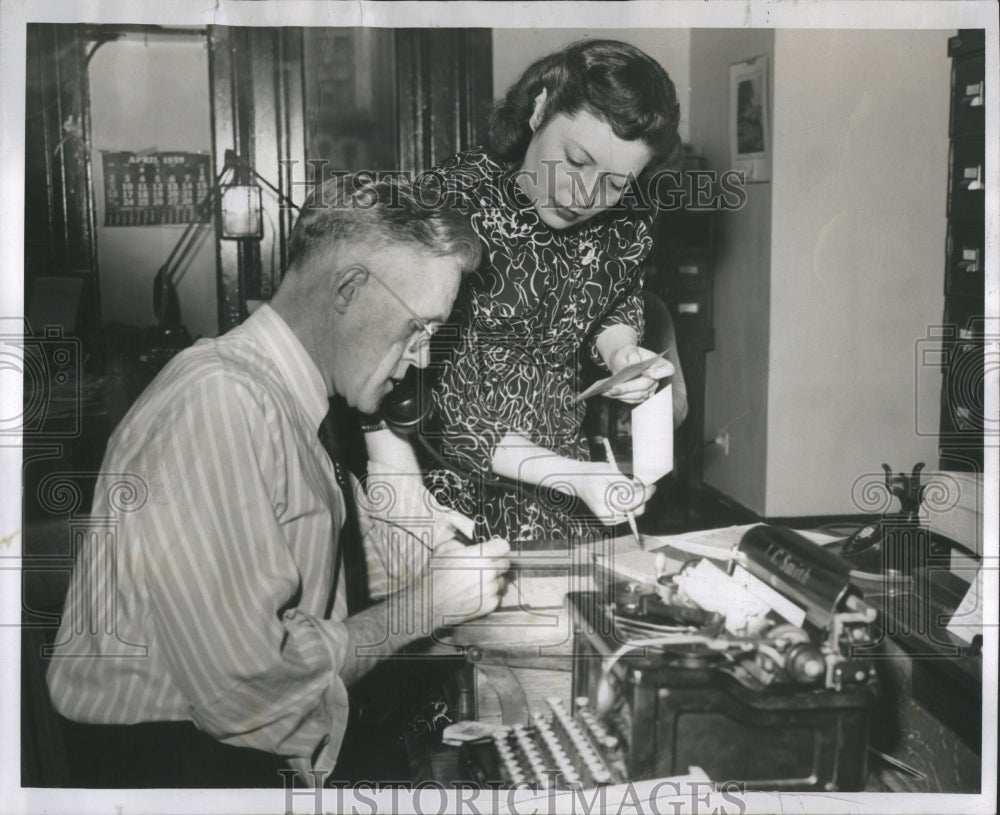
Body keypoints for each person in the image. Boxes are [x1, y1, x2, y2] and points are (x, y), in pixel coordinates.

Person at [45, 174, 510, 787]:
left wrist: (425, 563)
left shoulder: (290, 402)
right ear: (349, 289)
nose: (423, 356)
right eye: (420, 326)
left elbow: (337, 574)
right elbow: (246, 686)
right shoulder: (220, 402)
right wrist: (427, 605)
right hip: (170, 773)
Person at [400, 40, 688, 546]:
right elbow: (435, 401)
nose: (585, 198)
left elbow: (615, 300)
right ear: (539, 107)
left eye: (617, 184)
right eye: (576, 161)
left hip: (563, 470)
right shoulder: (451, 202)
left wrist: (621, 353)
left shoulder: (627, 220)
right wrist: (569, 475)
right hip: (447, 482)